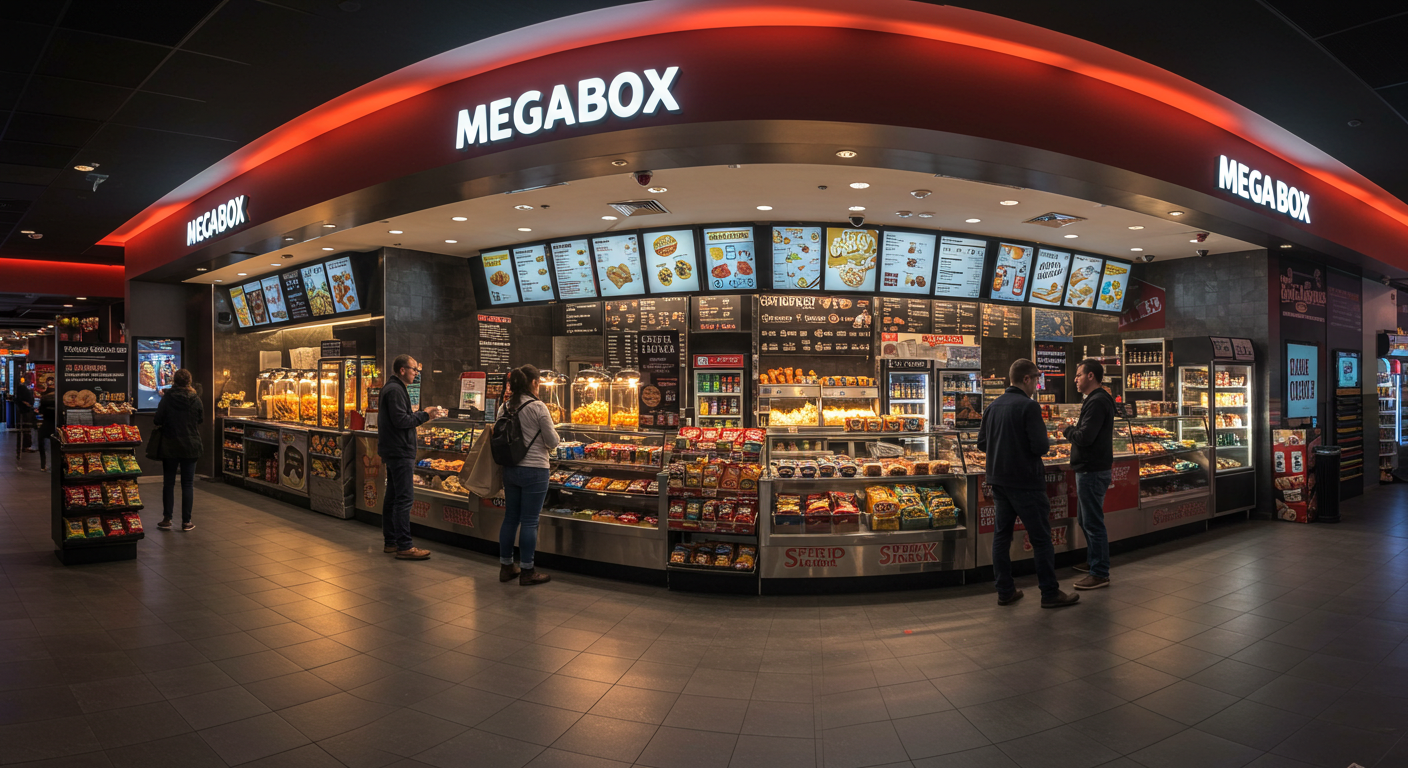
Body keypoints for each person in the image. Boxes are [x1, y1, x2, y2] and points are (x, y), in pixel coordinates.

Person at [977, 359, 1079, 608]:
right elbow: (1041, 446)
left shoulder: (992, 406)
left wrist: (1003, 450)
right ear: (1026, 379)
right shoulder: (1029, 406)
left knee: (1002, 537)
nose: (1037, 384)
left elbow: (981, 444)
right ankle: (1049, 593)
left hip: (998, 480)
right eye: (1036, 379)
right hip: (1025, 481)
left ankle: (1005, 591)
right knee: (1041, 538)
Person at [497, 365, 560, 586]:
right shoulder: (538, 406)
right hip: (535, 470)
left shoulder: (504, 407)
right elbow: (552, 441)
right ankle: (527, 571)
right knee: (530, 521)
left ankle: (506, 567)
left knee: (510, 518)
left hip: (510, 469)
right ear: (534, 382)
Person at [378, 355, 446, 560]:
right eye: (414, 369)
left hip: (394, 450)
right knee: (404, 499)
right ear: (402, 370)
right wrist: (425, 414)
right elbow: (401, 420)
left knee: (392, 497)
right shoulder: (395, 390)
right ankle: (405, 546)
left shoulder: (394, 388)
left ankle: (391, 542)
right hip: (400, 451)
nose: (416, 373)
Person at [1065, 358, 1116, 589]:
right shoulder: (1096, 399)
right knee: (1085, 520)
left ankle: (1100, 572)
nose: (1075, 379)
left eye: (1078, 375)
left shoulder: (1097, 401)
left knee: (1093, 522)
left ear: (1091, 376)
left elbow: (1085, 437)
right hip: (1090, 469)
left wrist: (1067, 430)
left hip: (1092, 470)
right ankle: (1094, 560)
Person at [152, 369, 204, 531]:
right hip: (191, 445)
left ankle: (167, 519)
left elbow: (157, 419)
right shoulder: (196, 399)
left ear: (174, 381)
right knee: (187, 484)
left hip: (170, 444)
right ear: (189, 381)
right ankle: (186, 521)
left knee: (169, 483)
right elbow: (200, 419)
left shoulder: (167, 398)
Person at [35, 382, 55, 471]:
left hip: (46, 424)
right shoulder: (58, 399)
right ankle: (56, 464)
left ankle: (43, 465)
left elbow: (40, 411)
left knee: (41, 444)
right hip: (55, 425)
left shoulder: (44, 399)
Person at [14, 378, 34, 456]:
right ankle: (26, 446)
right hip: (26, 411)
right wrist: (29, 405)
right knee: (27, 429)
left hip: (23, 411)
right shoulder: (24, 389)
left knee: (24, 429)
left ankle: (23, 446)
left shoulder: (20, 389)